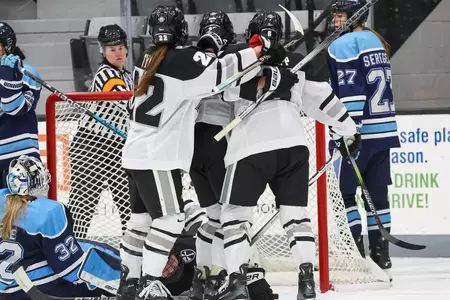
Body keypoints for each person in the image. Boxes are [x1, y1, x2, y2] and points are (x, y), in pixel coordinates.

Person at [119, 5, 288, 300]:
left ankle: (130, 284)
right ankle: (149, 284)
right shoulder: (183, 59)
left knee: (141, 223)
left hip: (136, 152)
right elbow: (222, 74)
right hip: (159, 155)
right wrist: (260, 49)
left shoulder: (146, 57)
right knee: (173, 220)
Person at [215, 11, 360, 300]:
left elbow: (223, 91)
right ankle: (306, 279)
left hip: (250, 146)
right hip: (293, 143)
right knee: (295, 217)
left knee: (234, 218)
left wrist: (260, 74)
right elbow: (323, 99)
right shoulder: (297, 64)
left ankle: (237, 281)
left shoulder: (241, 58)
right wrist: (348, 129)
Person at [188, 11, 275, 300]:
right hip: (218, 143)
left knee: (213, 219)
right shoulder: (235, 56)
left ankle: (204, 280)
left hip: (192, 148)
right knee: (236, 220)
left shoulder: (189, 58)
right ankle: (251, 282)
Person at [327, 0, 399, 280]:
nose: (335, 21)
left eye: (340, 15)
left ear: (355, 15)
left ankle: (355, 251)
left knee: (344, 194)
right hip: (384, 132)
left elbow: (352, 92)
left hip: (359, 134)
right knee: (378, 195)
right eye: (334, 15)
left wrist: (350, 130)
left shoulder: (342, 46)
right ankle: (381, 252)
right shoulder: (375, 41)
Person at [0, 155, 120, 300]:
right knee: (95, 254)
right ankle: (128, 283)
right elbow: (71, 271)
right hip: (32, 289)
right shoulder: (48, 212)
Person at [67, 24, 132, 239]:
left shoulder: (130, 76)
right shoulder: (106, 75)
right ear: (103, 51)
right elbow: (127, 102)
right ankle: (70, 249)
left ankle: (132, 253)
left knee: (130, 203)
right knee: (82, 204)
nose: (118, 53)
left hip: (119, 145)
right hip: (90, 144)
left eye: (121, 47)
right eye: (112, 49)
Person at [0, 22, 42, 190]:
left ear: (7, 46)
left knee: (23, 215)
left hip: (22, 160)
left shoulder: (28, 73)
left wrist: (8, 78)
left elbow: (14, 108)